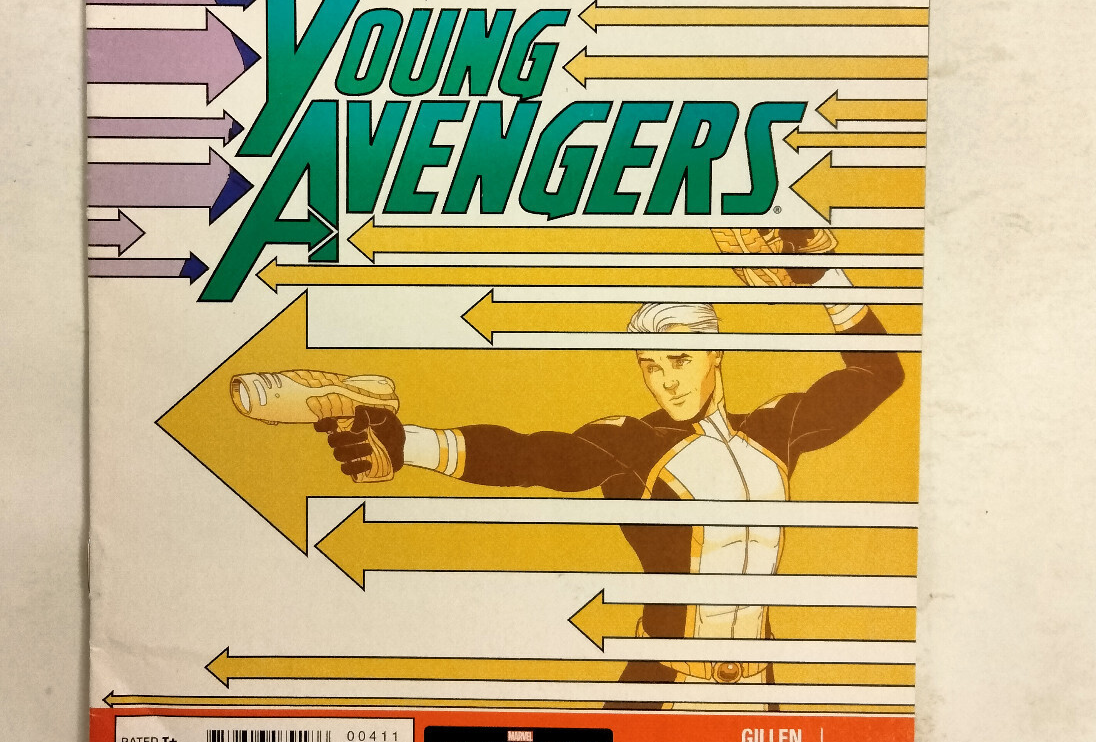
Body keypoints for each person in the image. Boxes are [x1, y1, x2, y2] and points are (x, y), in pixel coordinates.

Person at [313, 236, 903, 705]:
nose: (667, 381)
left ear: (716, 352)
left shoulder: (776, 431)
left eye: (680, 360)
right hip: (664, 688)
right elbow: (532, 456)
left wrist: (824, 277)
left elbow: (880, 375)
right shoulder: (634, 443)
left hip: (759, 690)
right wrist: (407, 444)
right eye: (650, 366)